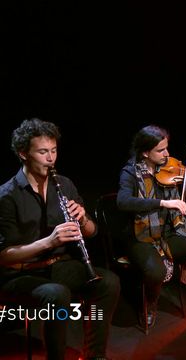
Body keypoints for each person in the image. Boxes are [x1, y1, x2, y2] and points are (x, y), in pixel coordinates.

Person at [0, 118, 120, 360]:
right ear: (23, 153)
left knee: (108, 283)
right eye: (43, 152)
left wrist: (83, 219)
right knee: (57, 295)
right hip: (19, 273)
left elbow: (92, 232)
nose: (51, 158)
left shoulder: (64, 184)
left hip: (57, 266)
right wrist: (49, 242)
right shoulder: (7, 195)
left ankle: (94, 355)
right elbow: (3, 256)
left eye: (54, 151)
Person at [116, 125, 186, 331]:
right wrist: (162, 203)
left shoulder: (170, 170)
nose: (167, 154)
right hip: (140, 237)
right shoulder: (130, 173)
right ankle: (150, 303)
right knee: (155, 271)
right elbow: (123, 201)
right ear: (145, 152)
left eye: (166, 148)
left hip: (167, 234)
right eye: (160, 150)